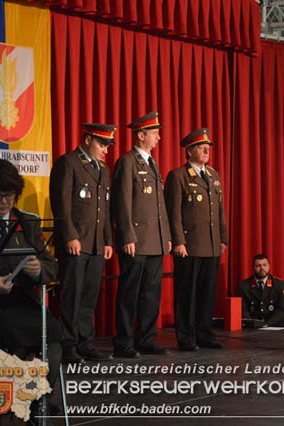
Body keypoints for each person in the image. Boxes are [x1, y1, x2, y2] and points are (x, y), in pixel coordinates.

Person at [0, 159, 62, 388]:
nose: (4, 202)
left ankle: (37, 398)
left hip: (22, 303)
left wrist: (38, 271)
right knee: (16, 336)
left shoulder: (28, 222)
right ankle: (19, 396)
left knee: (53, 336)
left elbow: (51, 266)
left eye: (10, 195)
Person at [49, 123, 116, 363]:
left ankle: (86, 342)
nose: (105, 150)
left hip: (97, 243)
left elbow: (105, 208)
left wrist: (108, 240)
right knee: (72, 296)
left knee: (89, 296)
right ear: (87, 140)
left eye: (107, 145)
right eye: (102, 144)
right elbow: (62, 204)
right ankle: (68, 345)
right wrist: (69, 236)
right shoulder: (68, 163)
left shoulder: (104, 170)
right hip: (76, 242)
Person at [111, 111, 171, 358]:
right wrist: (127, 236)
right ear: (141, 135)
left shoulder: (153, 163)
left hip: (155, 241)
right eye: (155, 133)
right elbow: (122, 202)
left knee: (151, 294)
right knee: (130, 294)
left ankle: (146, 338)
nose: (158, 137)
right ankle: (123, 342)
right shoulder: (127, 162)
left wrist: (166, 235)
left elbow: (160, 205)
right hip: (136, 241)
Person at [165, 128, 227, 351]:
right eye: (202, 148)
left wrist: (223, 238)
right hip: (189, 246)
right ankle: (185, 337)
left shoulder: (214, 176)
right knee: (187, 295)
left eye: (208, 147)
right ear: (190, 151)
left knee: (207, 294)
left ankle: (205, 334)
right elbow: (174, 213)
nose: (206, 151)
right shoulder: (178, 176)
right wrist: (178, 241)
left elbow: (219, 211)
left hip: (211, 245)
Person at [237, 254, 284, 328]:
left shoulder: (279, 284)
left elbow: (283, 309)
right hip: (253, 327)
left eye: (264, 265)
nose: (262, 268)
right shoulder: (244, 285)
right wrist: (253, 323)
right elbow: (242, 309)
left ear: (269, 266)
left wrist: (267, 324)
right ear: (253, 267)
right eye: (258, 266)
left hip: (275, 325)